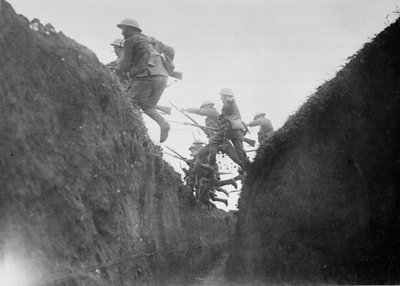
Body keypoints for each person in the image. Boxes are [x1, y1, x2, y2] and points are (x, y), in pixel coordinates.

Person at [116, 18, 174, 143]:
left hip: (147, 76)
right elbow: (170, 50)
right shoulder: (151, 40)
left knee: (129, 102)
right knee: (147, 106)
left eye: (124, 30)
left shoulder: (130, 41)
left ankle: (131, 131)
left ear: (131, 30)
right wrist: (166, 65)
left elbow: (124, 65)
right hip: (163, 76)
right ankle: (163, 123)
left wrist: (128, 70)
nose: (122, 33)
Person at [197, 88, 250, 170]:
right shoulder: (209, 119)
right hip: (223, 137)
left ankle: (212, 165)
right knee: (201, 153)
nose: (221, 98)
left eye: (222, 96)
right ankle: (249, 168)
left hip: (223, 138)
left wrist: (189, 110)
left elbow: (229, 105)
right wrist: (202, 128)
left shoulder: (213, 112)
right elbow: (211, 131)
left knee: (237, 158)